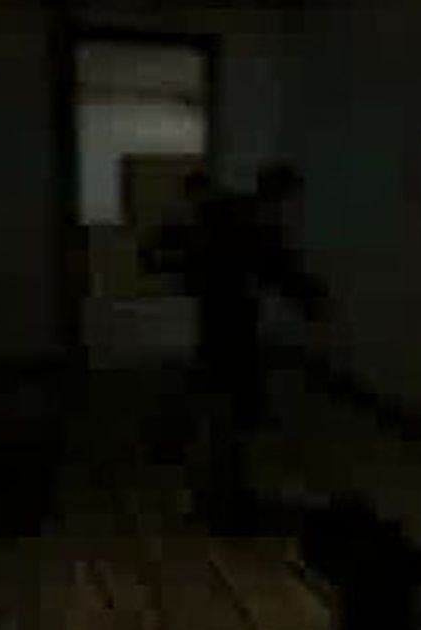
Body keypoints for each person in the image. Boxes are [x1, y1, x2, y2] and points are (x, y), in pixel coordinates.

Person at [139, 165, 329, 533]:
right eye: (288, 201)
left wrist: (176, 265)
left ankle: (211, 488)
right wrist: (311, 300)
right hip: (230, 324)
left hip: (222, 322)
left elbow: (162, 250)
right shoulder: (248, 222)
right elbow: (279, 270)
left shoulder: (226, 217)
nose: (289, 211)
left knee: (220, 402)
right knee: (228, 406)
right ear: (279, 195)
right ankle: (217, 493)